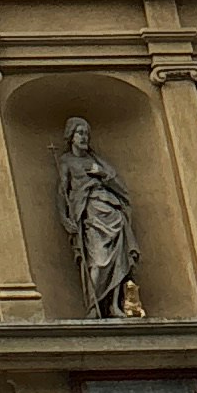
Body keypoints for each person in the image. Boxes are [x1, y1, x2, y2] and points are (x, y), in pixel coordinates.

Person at [56, 116, 145, 317]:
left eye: (86, 133)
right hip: (90, 215)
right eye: (80, 133)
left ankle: (114, 305)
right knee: (97, 262)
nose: (84, 137)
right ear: (71, 136)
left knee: (117, 262)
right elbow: (62, 192)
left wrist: (101, 174)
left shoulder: (96, 161)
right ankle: (93, 307)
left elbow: (119, 186)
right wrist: (64, 217)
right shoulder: (66, 161)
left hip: (111, 212)